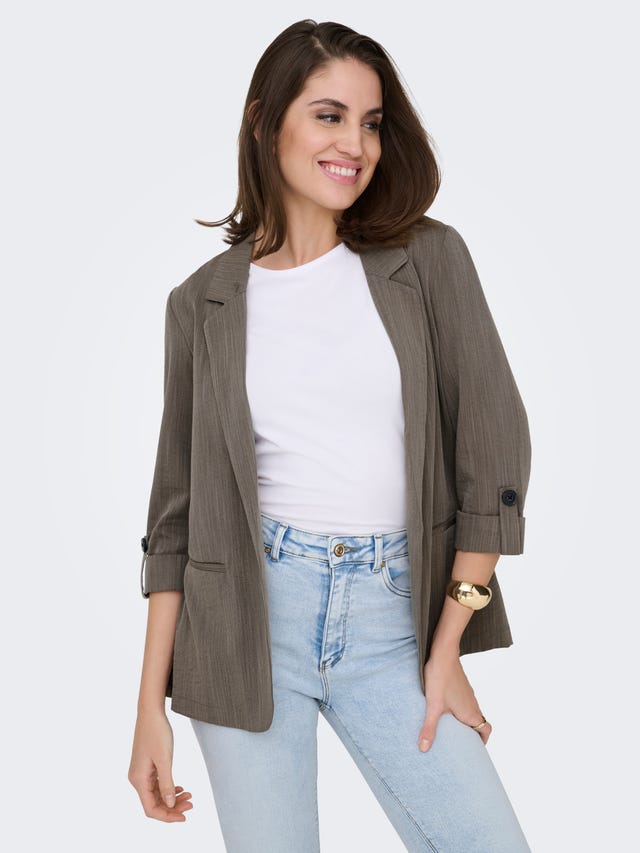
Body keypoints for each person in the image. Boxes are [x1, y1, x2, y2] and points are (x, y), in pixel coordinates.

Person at [128, 18, 532, 853]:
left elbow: (494, 454)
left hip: (394, 620)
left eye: (371, 122)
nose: (355, 143)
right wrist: (147, 713)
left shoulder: (428, 260)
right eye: (328, 115)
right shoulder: (201, 303)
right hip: (244, 623)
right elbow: (175, 519)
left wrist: (447, 646)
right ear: (263, 120)